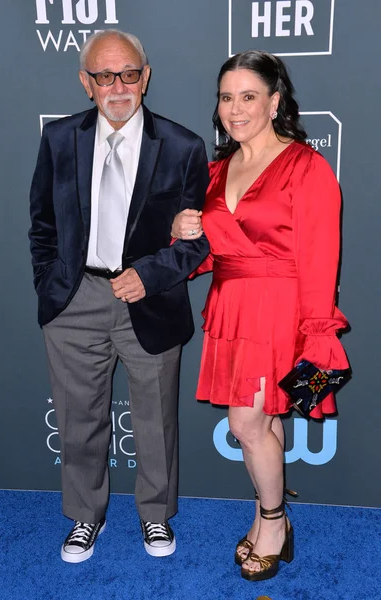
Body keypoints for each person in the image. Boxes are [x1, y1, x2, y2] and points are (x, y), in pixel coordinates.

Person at [28, 29, 209, 563]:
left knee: (155, 420)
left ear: (145, 77)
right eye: (104, 76)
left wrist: (149, 275)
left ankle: (155, 516)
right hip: (74, 299)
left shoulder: (183, 146)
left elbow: (200, 242)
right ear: (87, 83)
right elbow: (41, 224)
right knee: (78, 417)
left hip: (148, 302)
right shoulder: (59, 139)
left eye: (128, 73)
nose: (118, 86)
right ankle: (86, 517)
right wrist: (50, 281)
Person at [171, 50, 349, 581]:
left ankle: (274, 521)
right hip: (232, 307)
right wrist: (183, 232)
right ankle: (266, 514)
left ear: (275, 102)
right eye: (227, 97)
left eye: (248, 96)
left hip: (282, 309)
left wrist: (317, 335)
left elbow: (320, 260)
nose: (235, 108)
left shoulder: (306, 166)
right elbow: (212, 253)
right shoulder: (216, 169)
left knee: (246, 422)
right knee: (263, 421)